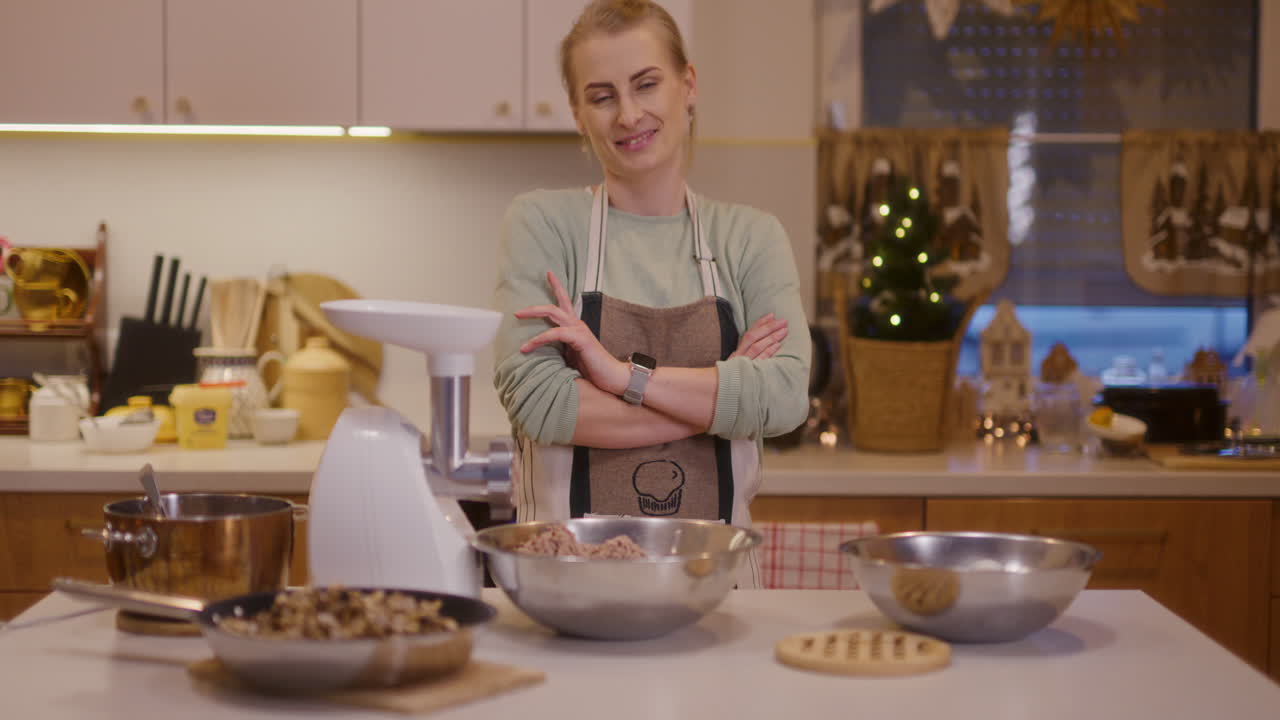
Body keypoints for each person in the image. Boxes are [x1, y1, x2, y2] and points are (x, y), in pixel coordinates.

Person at [491, 0, 810, 587]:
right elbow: (539, 404)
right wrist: (722, 398)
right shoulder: (542, 224)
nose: (628, 114)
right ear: (578, 113)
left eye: (646, 84)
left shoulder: (749, 237)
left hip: (720, 596)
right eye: (602, 95)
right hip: (563, 593)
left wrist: (617, 377)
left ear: (688, 85)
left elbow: (786, 398)